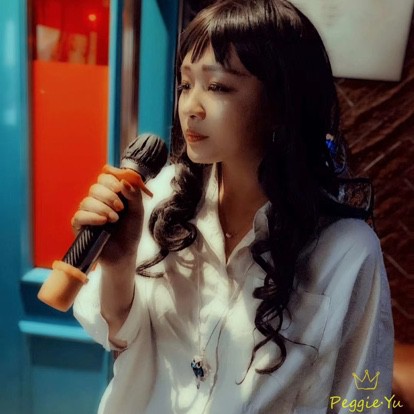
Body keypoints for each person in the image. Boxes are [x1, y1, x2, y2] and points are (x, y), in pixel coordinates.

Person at [72, 0, 394, 412]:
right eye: (186, 84)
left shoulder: (346, 251)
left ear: (281, 101)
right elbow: (118, 335)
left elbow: (362, 401)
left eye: (218, 87)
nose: (191, 107)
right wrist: (118, 266)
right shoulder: (163, 194)